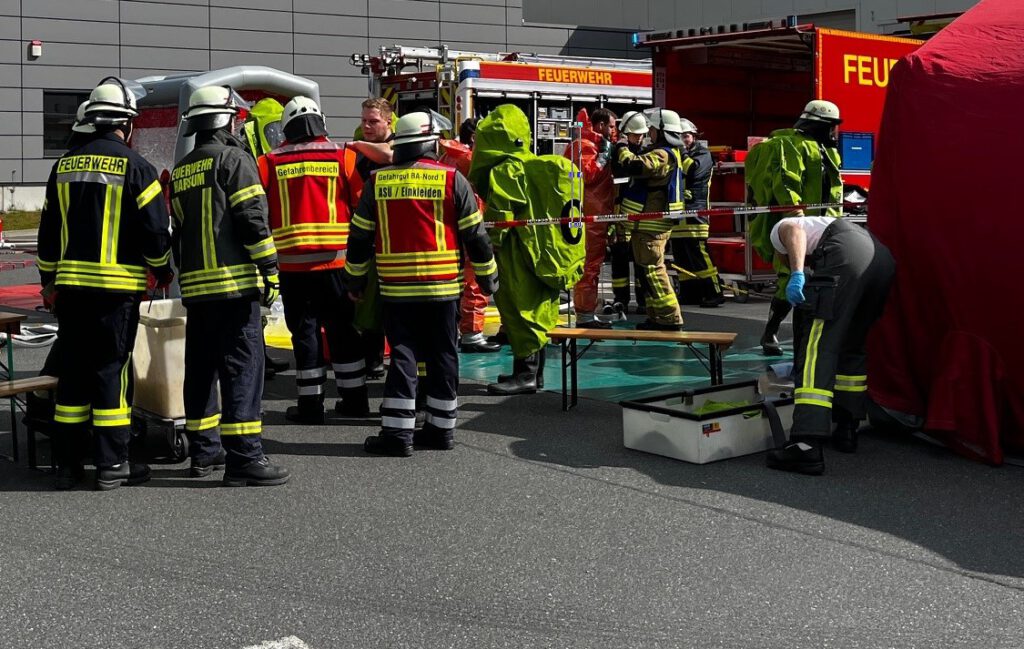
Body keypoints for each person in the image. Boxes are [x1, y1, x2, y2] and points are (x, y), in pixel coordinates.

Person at [36, 77, 173, 490]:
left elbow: (47, 235)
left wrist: (48, 282)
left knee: (73, 375)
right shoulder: (137, 167)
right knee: (111, 373)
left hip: (70, 293)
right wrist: (162, 269)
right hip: (115, 294)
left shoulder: (63, 166)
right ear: (126, 124)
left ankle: (68, 465)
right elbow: (155, 232)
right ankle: (113, 465)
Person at [345, 111, 498, 456]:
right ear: (429, 142)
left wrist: (354, 280)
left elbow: (359, 238)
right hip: (443, 289)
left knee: (403, 355)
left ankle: (397, 435)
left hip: (397, 290)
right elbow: (476, 236)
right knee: (443, 355)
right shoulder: (452, 179)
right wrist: (488, 277)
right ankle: (441, 431)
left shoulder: (378, 182)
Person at [170, 85, 290, 486]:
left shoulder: (183, 169)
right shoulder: (234, 159)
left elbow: (178, 232)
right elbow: (252, 218)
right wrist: (270, 269)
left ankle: (204, 453)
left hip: (196, 290)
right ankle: (245, 458)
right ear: (227, 120)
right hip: (235, 287)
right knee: (242, 370)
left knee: (201, 370)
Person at [257, 96, 368, 425]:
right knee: (342, 330)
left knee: (304, 334)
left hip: (292, 267)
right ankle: (355, 401)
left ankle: (310, 406)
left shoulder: (268, 162)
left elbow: (258, 211)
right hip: (337, 264)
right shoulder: (344, 156)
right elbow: (362, 206)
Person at [468, 104, 586, 395]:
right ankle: (533, 373)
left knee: (519, 310)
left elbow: (500, 217)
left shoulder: (507, 170)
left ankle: (526, 375)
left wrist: (488, 248)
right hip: (542, 253)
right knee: (537, 309)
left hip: (517, 254)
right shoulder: (535, 166)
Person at [764, 215, 895, 475]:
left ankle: (806, 444)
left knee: (817, 347)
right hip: (881, 261)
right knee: (851, 346)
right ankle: (847, 429)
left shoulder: (780, 231)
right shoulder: (823, 226)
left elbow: (793, 231)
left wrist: (796, 273)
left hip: (846, 255)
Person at [746, 100, 844, 355]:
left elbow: (833, 189)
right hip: (798, 227)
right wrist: (795, 217)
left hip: (825, 226)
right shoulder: (789, 145)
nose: (834, 132)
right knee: (790, 279)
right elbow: (786, 182)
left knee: (823, 281)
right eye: (831, 126)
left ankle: (808, 337)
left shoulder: (827, 150)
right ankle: (771, 332)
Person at [613, 108, 686, 331]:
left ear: (662, 131)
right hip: (646, 225)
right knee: (647, 273)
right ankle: (656, 316)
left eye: (652, 129)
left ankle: (670, 317)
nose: (649, 133)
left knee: (654, 271)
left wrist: (622, 147)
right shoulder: (668, 152)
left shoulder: (663, 154)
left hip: (651, 226)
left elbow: (636, 166)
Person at [238, 96, 291, 379]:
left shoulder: (256, 150)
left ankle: (261, 356)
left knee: (261, 300)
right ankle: (257, 359)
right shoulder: (246, 153)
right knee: (256, 297)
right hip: (255, 235)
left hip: (265, 231)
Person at [439, 124, 499, 353]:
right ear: (475, 137)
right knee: (475, 281)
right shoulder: (470, 159)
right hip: (471, 224)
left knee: (456, 282)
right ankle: (472, 334)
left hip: (449, 227)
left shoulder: (446, 155)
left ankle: (453, 331)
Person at [352, 97, 396, 379]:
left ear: (388, 122)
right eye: (364, 121)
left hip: (394, 236)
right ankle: (373, 360)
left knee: (392, 303)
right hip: (366, 231)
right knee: (367, 303)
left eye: (373, 121)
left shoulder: (399, 144)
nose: (367, 126)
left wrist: (354, 145)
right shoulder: (363, 146)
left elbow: (389, 156)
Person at [566, 107, 617, 328]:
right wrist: (603, 158)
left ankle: (587, 312)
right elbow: (586, 175)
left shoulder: (590, 145)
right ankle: (585, 315)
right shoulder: (585, 146)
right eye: (612, 126)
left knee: (591, 266)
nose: (614, 131)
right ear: (600, 125)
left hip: (595, 215)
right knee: (588, 266)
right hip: (589, 216)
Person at [670, 118, 724, 308]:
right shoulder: (676, 154)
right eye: (679, 137)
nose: (683, 140)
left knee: (700, 255)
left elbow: (692, 170)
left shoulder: (703, 154)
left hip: (695, 214)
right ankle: (689, 294)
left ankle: (715, 293)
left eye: (686, 136)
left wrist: (681, 151)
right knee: (681, 257)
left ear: (694, 136)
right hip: (678, 215)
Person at [607, 111, 646, 316]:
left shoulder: (646, 152)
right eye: (635, 134)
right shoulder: (616, 152)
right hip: (619, 213)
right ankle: (620, 299)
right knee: (619, 257)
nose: (639, 138)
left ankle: (642, 300)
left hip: (639, 215)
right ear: (626, 133)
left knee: (640, 260)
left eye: (641, 134)